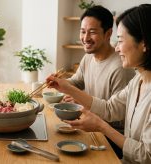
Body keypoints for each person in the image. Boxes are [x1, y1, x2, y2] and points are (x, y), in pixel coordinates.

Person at [47, 4, 151, 163]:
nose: (117, 48)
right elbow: (109, 108)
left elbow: (146, 156)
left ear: (144, 44)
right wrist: (65, 86)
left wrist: (101, 126)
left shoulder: (125, 72)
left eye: (121, 40)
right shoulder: (138, 81)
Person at [62, 5, 135, 158]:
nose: (85, 38)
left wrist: (79, 99)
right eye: (83, 31)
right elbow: (76, 82)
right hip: (91, 127)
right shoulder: (88, 57)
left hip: (111, 139)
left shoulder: (120, 67)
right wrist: (58, 82)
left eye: (92, 32)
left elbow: (116, 115)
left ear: (108, 33)